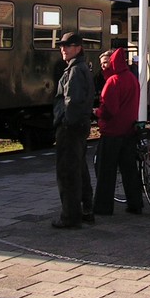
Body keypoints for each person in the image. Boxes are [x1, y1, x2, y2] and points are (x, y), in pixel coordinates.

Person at [51, 32, 95, 229]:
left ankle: (70, 216)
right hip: (79, 126)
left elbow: (72, 100)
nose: (63, 49)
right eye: (62, 46)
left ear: (78, 47)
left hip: (71, 127)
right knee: (80, 169)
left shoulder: (76, 71)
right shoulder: (79, 68)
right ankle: (86, 209)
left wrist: (66, 122)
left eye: (67, 46)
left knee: (67, 173)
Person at [93, 47, 143, 216]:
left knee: (105, 171)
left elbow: (109, 110)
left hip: (112, 133)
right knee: (130, 171)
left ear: (113, 63)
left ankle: (103, 207)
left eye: (106, 63)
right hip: (129, 131)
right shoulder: (132, 79)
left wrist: (97, 113)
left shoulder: (113, 81)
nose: (103, 67)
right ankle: (135, 203)